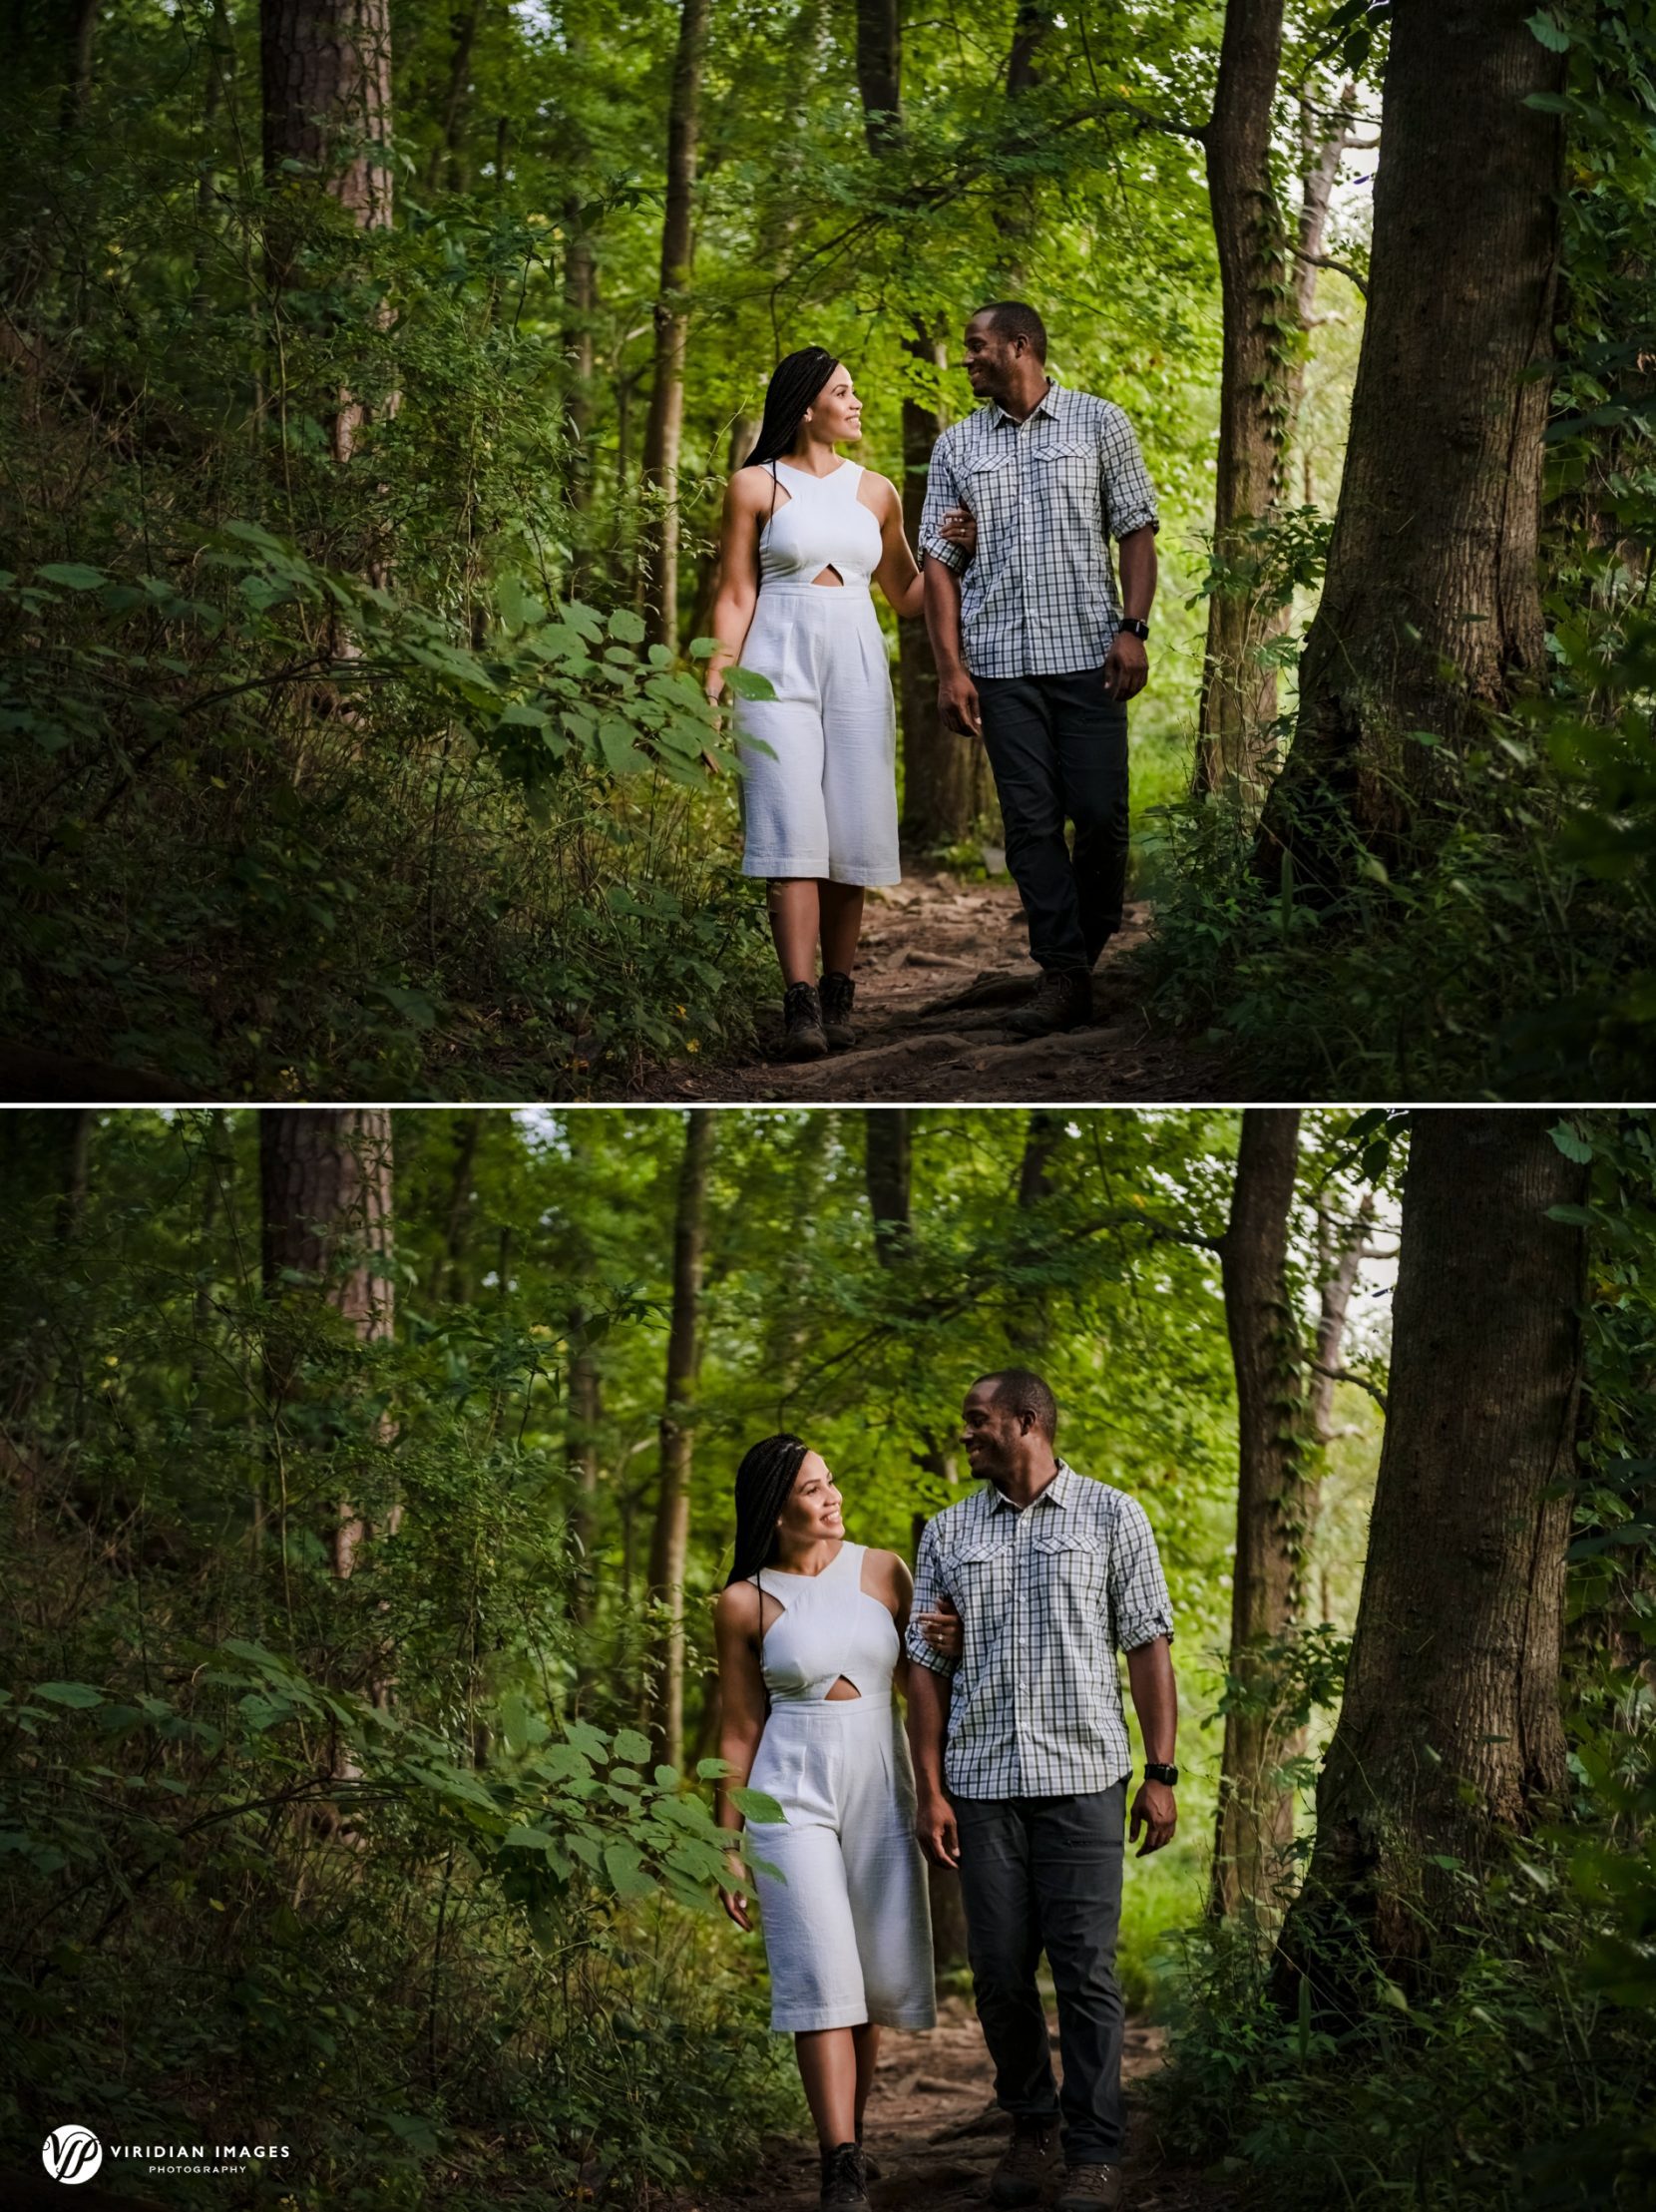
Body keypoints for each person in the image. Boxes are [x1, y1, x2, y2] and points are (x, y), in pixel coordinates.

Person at [905, 1370, 1180, 2212]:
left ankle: (1095, 2151)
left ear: (1027, 1422)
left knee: (1087, 1970)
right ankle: (1031, 2122)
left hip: (1085, 1780)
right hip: (982, 1784)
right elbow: (925, 1666)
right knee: (996, 1971)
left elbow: (1148, 1647)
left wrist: (1162, 1771)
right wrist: (930, 1788)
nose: (967, 1433)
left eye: (978, 1419)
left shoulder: (1113, 1516)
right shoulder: (949, 1531)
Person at [711, 1433, 963, 2211]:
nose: (832, 1495)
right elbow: (738, 1728)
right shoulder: (743, 1600)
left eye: (832, 1479)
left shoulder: (885, 1569)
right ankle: (840, 2162)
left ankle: (852, 2130)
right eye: (815, 1487)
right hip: (791, 1792)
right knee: (820, 1971)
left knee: (871, 1973)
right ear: (775, 1503)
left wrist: (934, 1784)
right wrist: (726, 1842)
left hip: (880, 1781)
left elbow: (927, 1674)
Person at [707, 351, 975, 1063]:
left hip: (856, 659)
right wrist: (712, 676)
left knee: (849, 834)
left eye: (856, 391)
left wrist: (954, 553)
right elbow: (736, 593)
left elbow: (909, 597)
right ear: (804, 406)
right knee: (789, 829)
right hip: (775, 663)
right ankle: (798, 1007)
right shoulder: (753, 485)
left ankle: (838, 993)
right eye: (843, 392)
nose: (857, 403)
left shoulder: (878, 492)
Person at [919, 303, 1160, 1039]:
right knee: (1028, 824)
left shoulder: (1099, 423)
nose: (968, 359)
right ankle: (1060, 973)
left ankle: (1079, 956)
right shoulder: (958, 444)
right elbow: (938, 561)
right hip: (999, 664)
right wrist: (950, 668)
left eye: (978, 347)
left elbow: (1137, 530)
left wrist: (1133, 629)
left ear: (1020, 347)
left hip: (1090, 656)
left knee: (1100, 818)